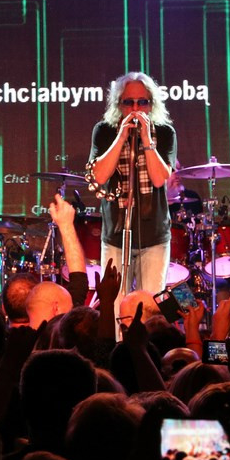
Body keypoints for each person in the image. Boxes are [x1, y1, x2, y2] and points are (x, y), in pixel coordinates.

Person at [87, 72, 177, 295]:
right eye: (129, 102)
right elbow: (99, 176)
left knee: (150, 305)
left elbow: (159, 178)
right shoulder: (104, 130)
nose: (136, 108)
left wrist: (147, 140)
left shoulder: (165, 132)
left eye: (142, 102)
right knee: (115, 306)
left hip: (154, 236)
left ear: (151, 104)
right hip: (116, 236)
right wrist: (120, 137)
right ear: (119, 104)